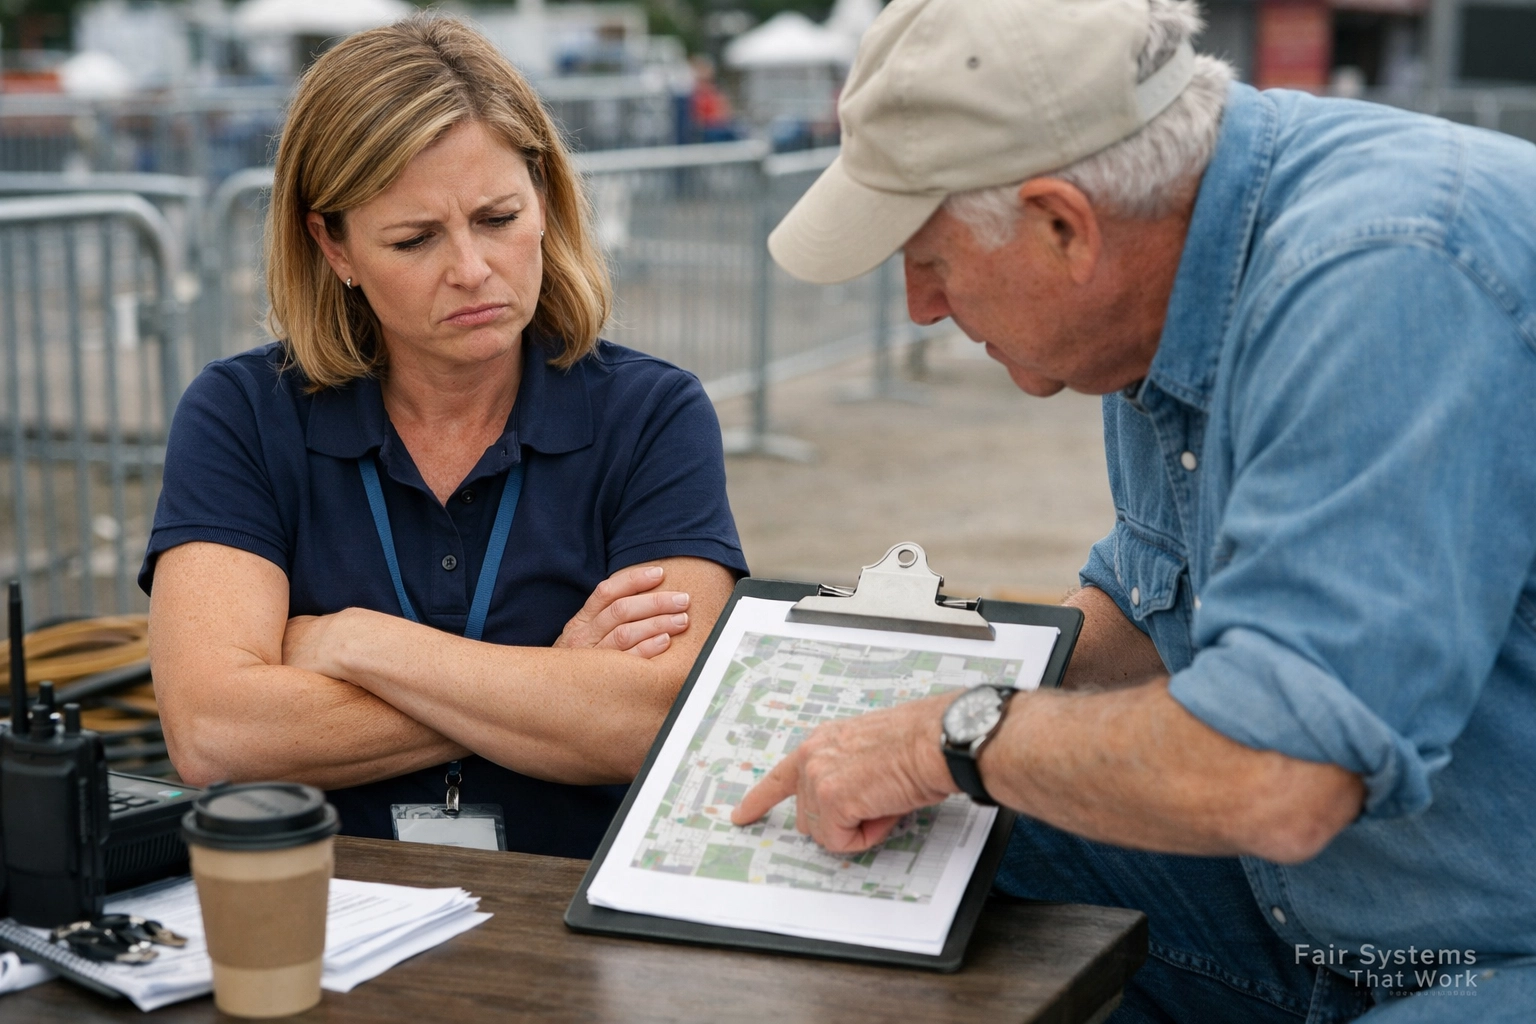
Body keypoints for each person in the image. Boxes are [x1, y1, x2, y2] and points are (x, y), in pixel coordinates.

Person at [732, 0, 1536, 1019]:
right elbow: (1153, 610)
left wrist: (950, 733)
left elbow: (1284, 771)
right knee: (877, 842)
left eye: (929, 260)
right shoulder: (1160, 272)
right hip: (1339, 902)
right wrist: (892, 700)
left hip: (1495, 938)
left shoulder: (1386, 275)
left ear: (1064, 225)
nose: (920, 308)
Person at [143, 17, 747, 858]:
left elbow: (658, 719)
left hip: (571, 911)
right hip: (323, 904)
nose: (471, 269)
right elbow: (217, 732)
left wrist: (355, 642)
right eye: (415, 238)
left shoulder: (653, 414)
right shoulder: (242, 412)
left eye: (498, 217)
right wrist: (554, 681)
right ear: (333, 246)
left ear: (545, 200)